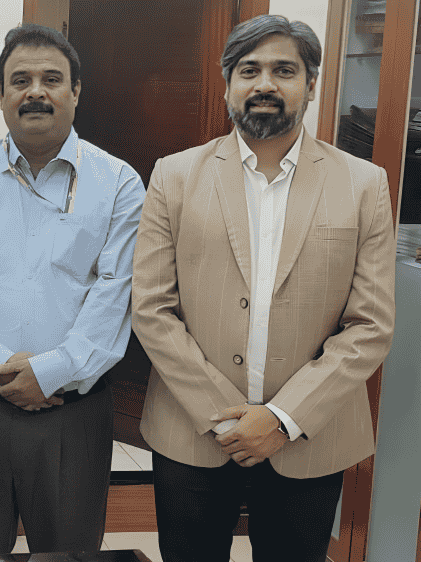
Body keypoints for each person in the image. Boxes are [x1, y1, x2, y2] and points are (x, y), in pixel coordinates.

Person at [132, 15, 396, 562]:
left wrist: (281, 418)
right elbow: (152, 309)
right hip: (192, 432)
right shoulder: (174, 176)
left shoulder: (363, 184)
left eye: (284, 70)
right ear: (229, 82)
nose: (265, 84)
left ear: (311, 84)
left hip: (309, 436)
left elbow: (370, 325)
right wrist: (228, 418)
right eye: (249, 70)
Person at [0, 24, 145, 556]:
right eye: (20, 80)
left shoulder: (118, 183)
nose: (35, 92)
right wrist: (1, 368)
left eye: (51, 79)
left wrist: (51, 371)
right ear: (2, 95)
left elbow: (116, 291)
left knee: (68, 553)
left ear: (76, 91)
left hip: (74, 409)